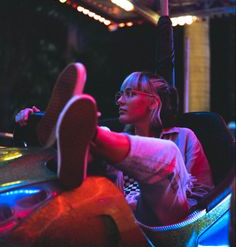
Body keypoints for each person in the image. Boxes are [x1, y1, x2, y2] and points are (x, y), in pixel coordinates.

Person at [15, 63, 214, 226]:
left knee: (168, 152)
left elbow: (203, 192)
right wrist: (34, 123)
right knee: (107, 136)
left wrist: (139, 202)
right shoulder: (116, 144)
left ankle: (84, 131)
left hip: (172, 222)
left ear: (154, 102)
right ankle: (62, 135)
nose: (120, 101)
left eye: (129, 93)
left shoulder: (184, 137)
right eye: (119, 94)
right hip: (124, 218)